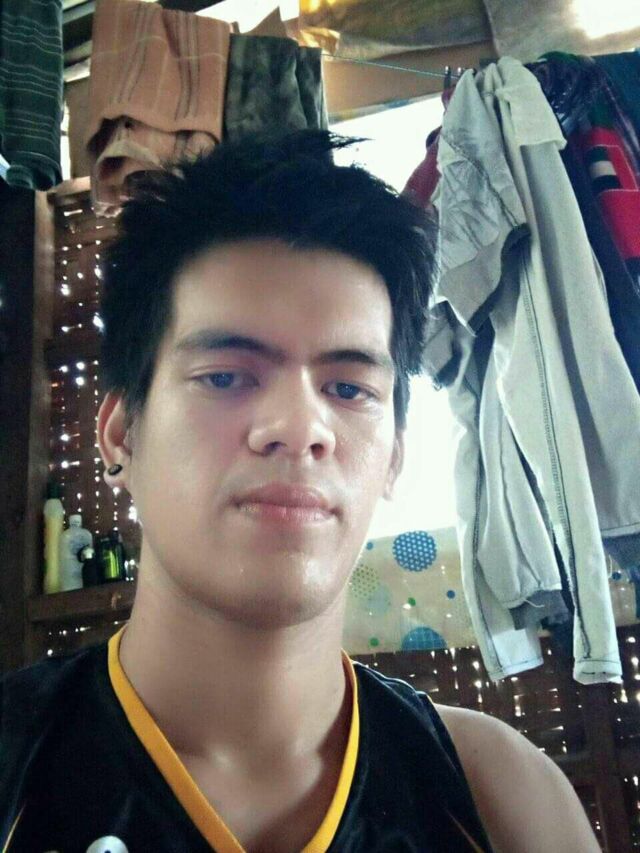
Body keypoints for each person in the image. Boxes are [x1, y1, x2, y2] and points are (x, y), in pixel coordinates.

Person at [0, 131, 600, 853]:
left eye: (348, 388)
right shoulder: (18, 767)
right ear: (122, 434)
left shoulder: (500, 799)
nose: (299, 428)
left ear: (394, 457)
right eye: (226, 376)